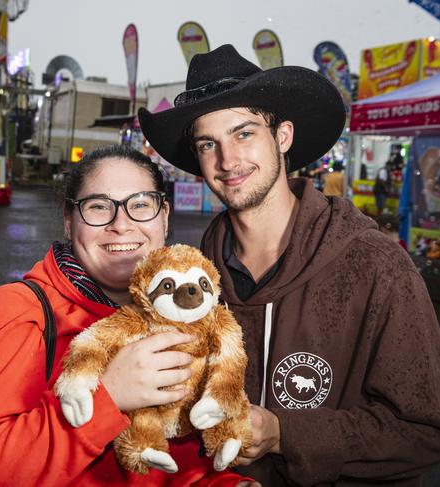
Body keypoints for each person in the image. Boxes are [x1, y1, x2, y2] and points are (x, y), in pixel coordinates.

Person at [139, 44, 440, 486]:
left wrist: (286, 434)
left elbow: (425, 431)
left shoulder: (374, 265)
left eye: (244, 134)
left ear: (282, 136)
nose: (228, 161)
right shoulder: (197, 281)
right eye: (209, 143)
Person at [0, 145, 256, 486]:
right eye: (99, 207)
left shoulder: (190, 316)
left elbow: (181, 467)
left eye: (140, 205)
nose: (121, 225)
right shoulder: (16, 313)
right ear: (69, 221)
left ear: (164, 216)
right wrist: (108, 397)